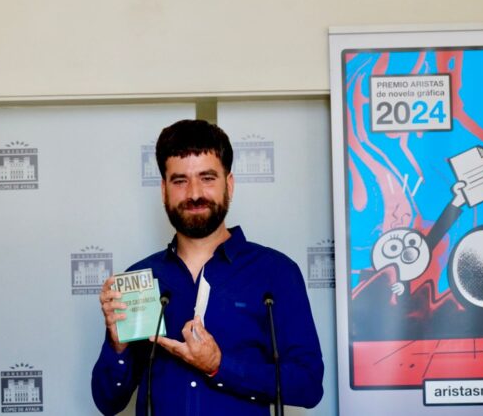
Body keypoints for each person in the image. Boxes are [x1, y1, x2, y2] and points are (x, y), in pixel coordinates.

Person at [91, 119, 324, 415]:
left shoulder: (276, 273)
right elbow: (108, 402)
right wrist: (117, 346)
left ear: (229, 184)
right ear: (163, 190)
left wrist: (219, 366)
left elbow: (308, 385)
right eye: (180, 181)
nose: (194, 193)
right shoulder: (141, 279)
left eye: (207, 178)